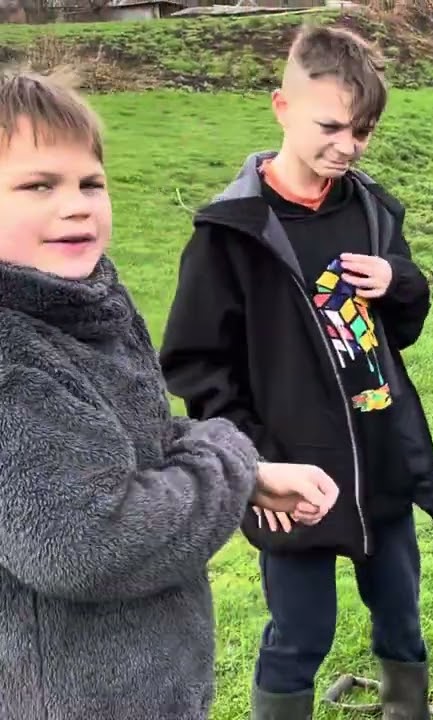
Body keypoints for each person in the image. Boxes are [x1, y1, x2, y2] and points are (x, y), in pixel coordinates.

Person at [0, 70, 340, 720]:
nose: (75, 205)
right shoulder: (12, 363)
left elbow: (139, 437)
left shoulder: (83, 303)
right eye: (38, 186)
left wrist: (255, 473)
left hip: (147, 687)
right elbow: (88, 542)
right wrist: (232, 463)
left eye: (89, 183)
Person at [158, 24, 433, 720]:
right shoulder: (230, 235)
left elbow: (401, 327)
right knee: (301, 635)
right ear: (282, 107)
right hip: (293, 478)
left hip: (381, 462)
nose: (348, 146)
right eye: (332, 126)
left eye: (364, 131)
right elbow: (196, 366)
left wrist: (399, 281)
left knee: (402, 621)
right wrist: (254, 466)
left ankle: (405, 709)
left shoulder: (373, 210)